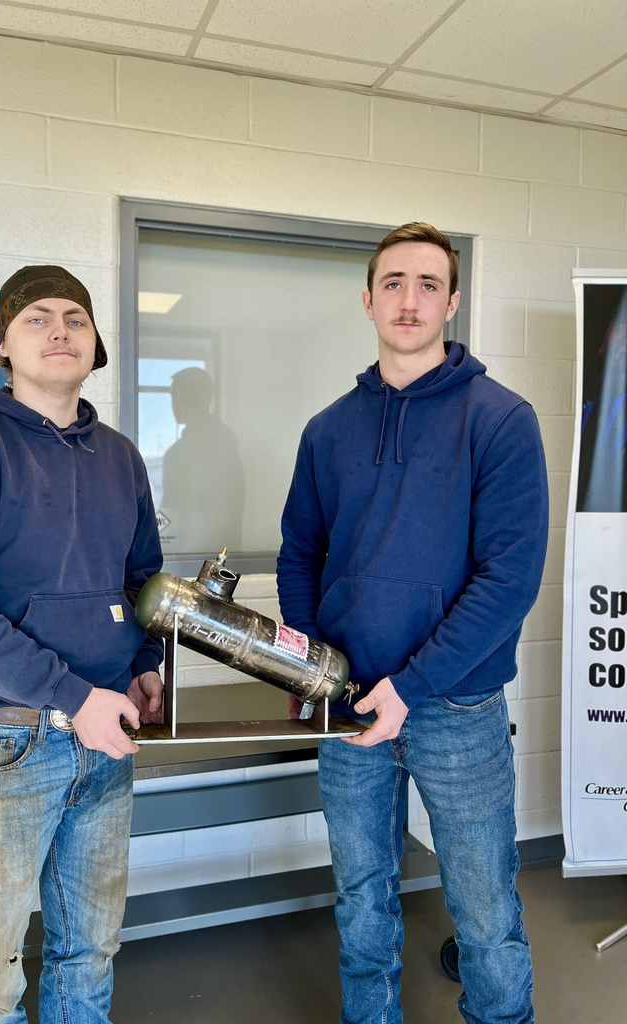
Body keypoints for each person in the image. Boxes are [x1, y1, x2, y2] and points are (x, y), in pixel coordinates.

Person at [276, 223, 548, 1024]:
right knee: (363, 899)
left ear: (453, 303)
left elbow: (509, 579)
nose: (410, 299)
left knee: (484, 904)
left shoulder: (500, 420)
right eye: (393, 282)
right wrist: (311, 670)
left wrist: (415, 682)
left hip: (456, 705)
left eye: (429, 284)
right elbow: (300, 557)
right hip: (349, 703)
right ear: (367, 300)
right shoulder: (327, 430)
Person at [0, 265, 164, 1023]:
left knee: (90, 951)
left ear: (96, 345)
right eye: (38, 318)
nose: (60, 330)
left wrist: (146, 665)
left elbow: (141, 578)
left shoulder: (119, 456)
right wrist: (75, 697)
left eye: (76, 318)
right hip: (4, 744)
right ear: (4, 345)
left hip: (106, 739)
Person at [161, 366, 245, 553]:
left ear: (186, 399)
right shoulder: (228, 446)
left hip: (194, 561)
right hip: (219, 559)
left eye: (175, 396)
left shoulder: (188, 453)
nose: (173, 404)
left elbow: (172, 517)